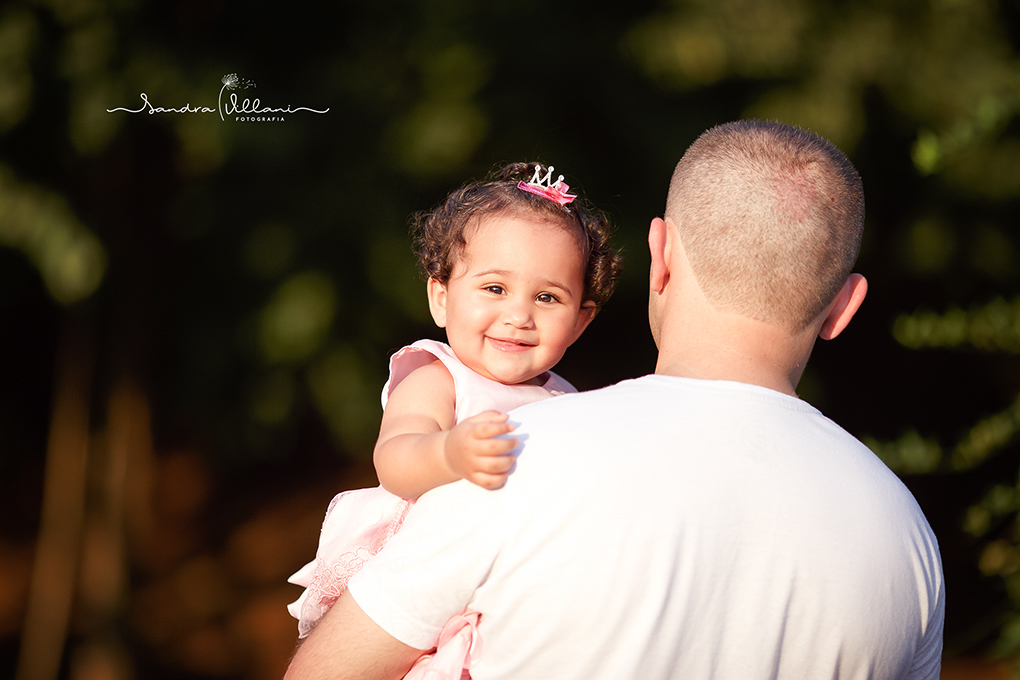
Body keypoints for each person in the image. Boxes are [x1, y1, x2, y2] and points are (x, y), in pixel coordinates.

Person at [285, 120, 945, 680]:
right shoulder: (909, 536)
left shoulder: (514, 458)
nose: (517, 313)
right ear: (845, 306)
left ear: (660, 257)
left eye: (547, 296)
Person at [286, 162, 622, 671]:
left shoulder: (567, 403)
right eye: (494, 288)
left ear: (580, 321)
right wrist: (449, 451)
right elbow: (394, 459)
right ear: (441, 297)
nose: (518, 315)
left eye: (548, 297)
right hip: (416, 586)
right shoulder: (439, 378)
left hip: (505, 593)